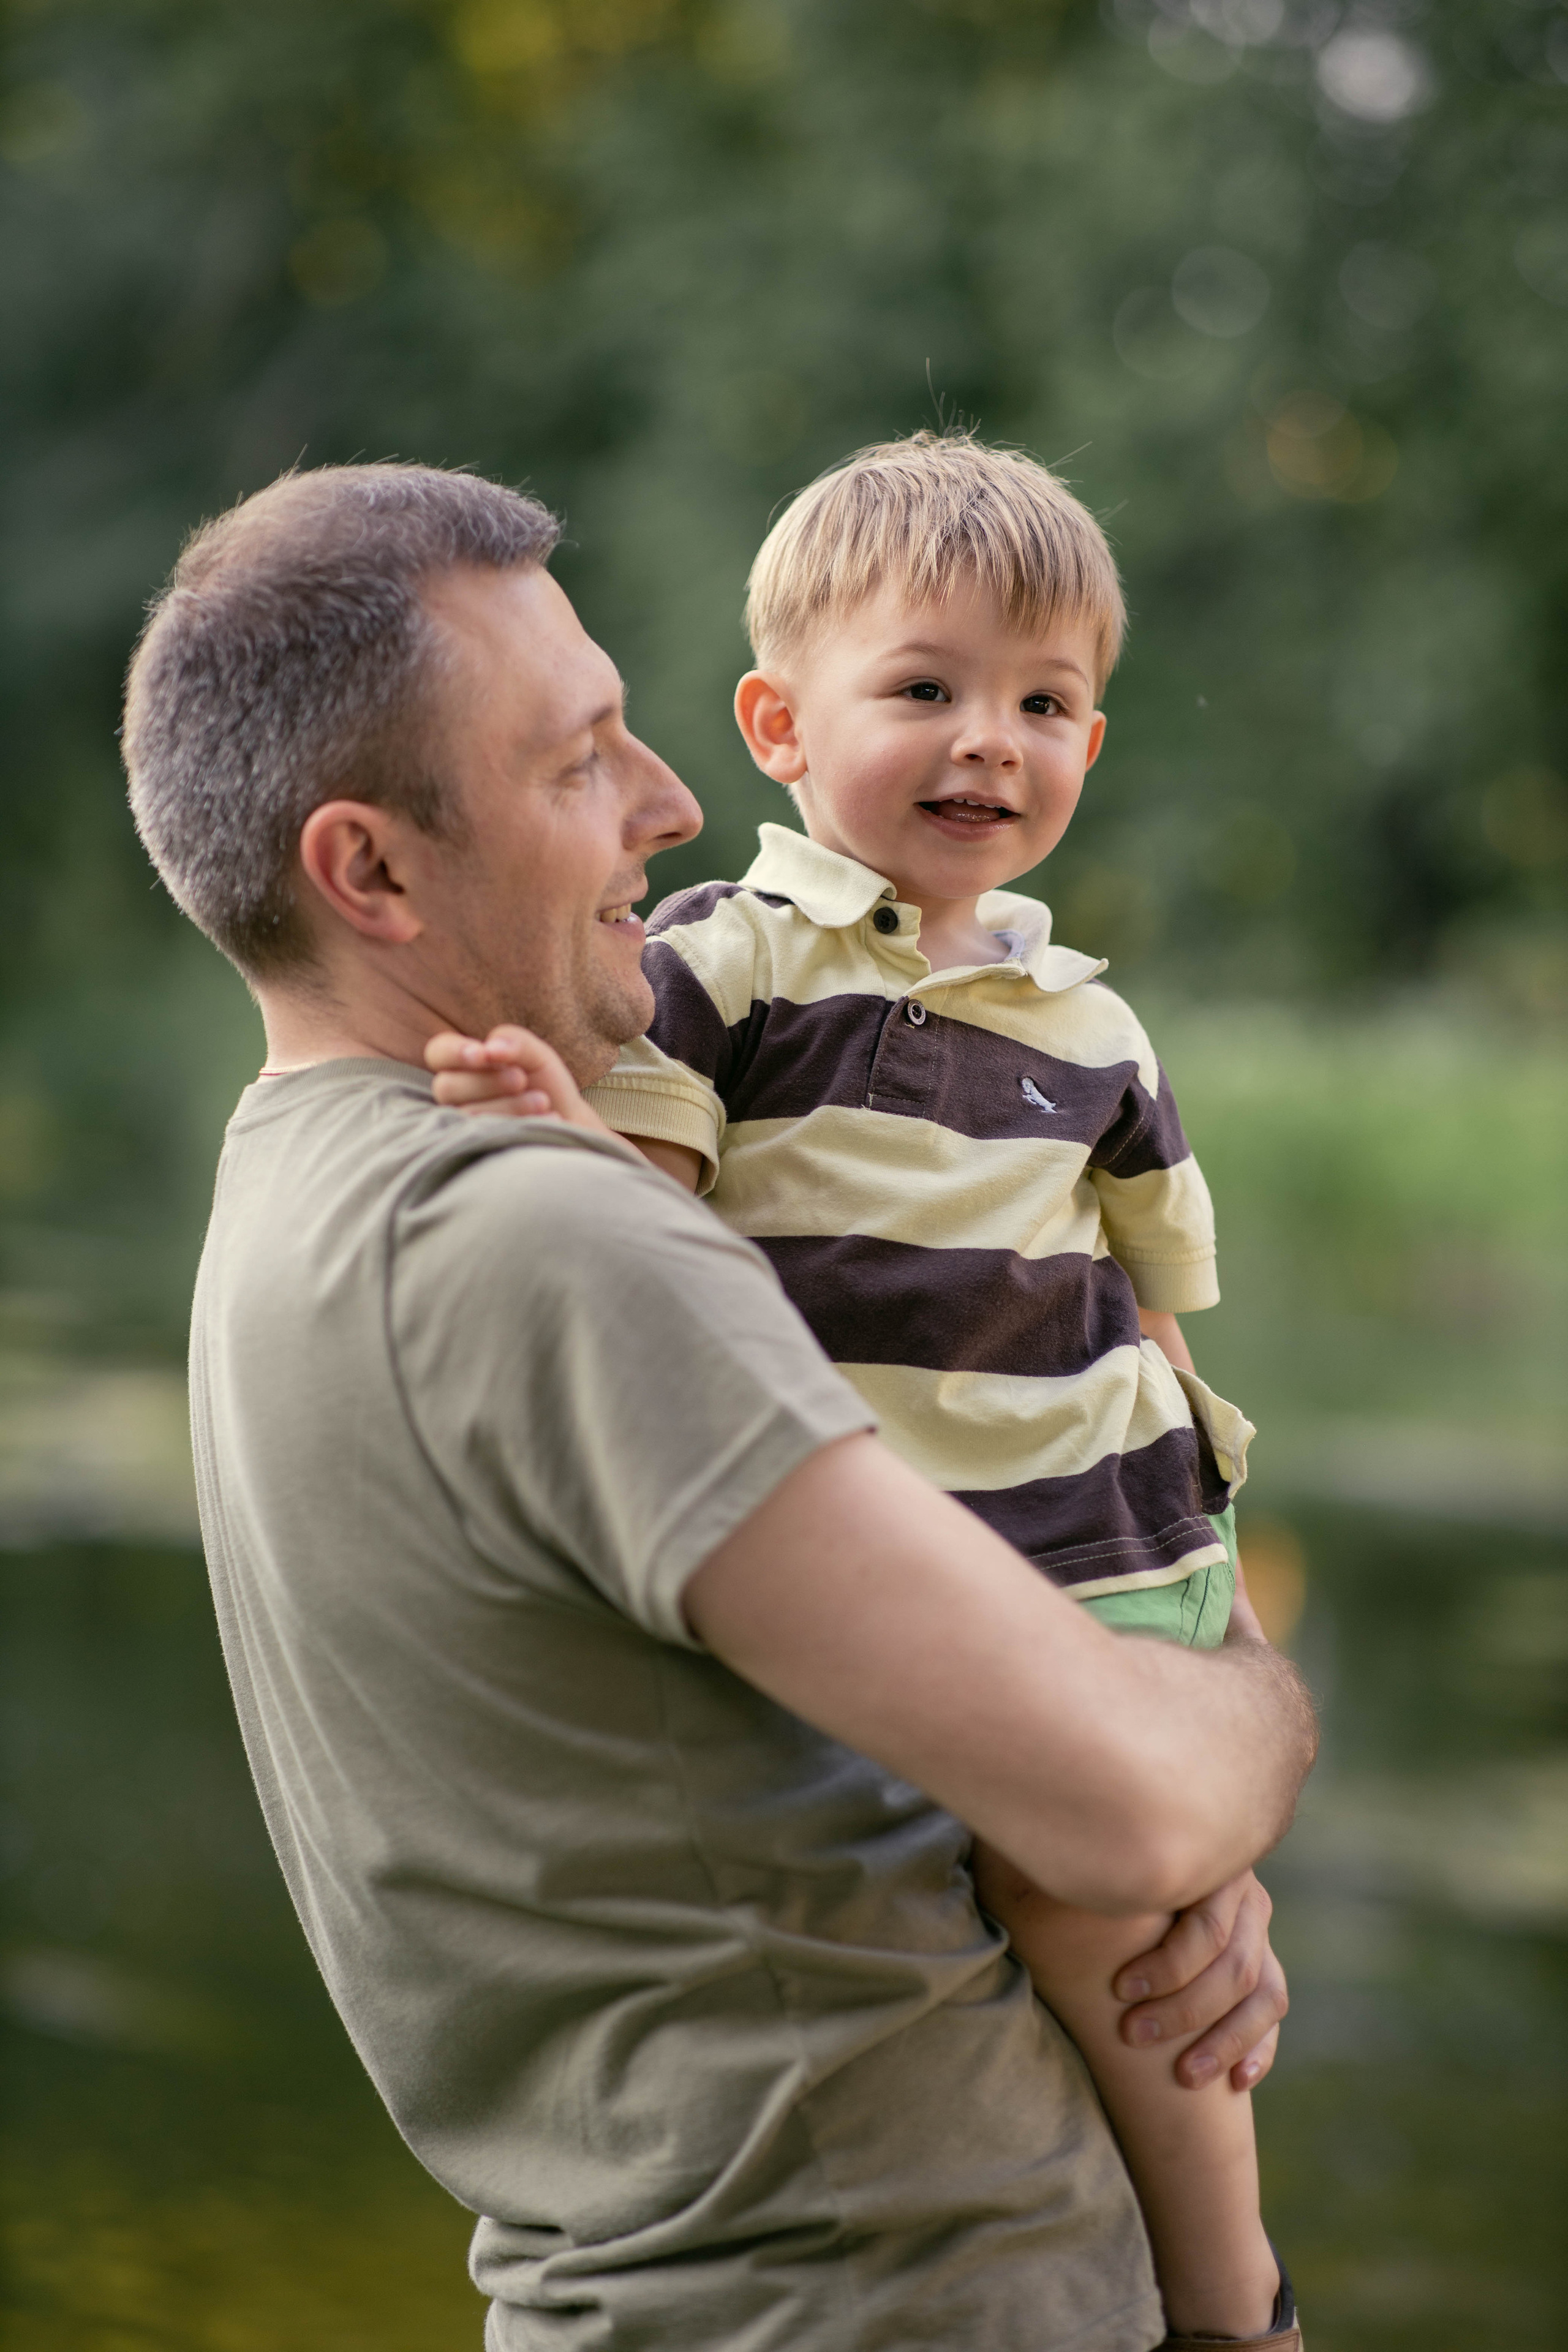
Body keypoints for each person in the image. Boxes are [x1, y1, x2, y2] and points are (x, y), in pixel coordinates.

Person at [123, 461, 1314, 2352]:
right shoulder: (562, 1239)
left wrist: (1129, 1827)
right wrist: (1222, 1726)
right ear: (369, 868)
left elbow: (1045, 1775)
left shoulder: (298, 1191)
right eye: (583, 759)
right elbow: (1138, 1805)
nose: (673, 806)